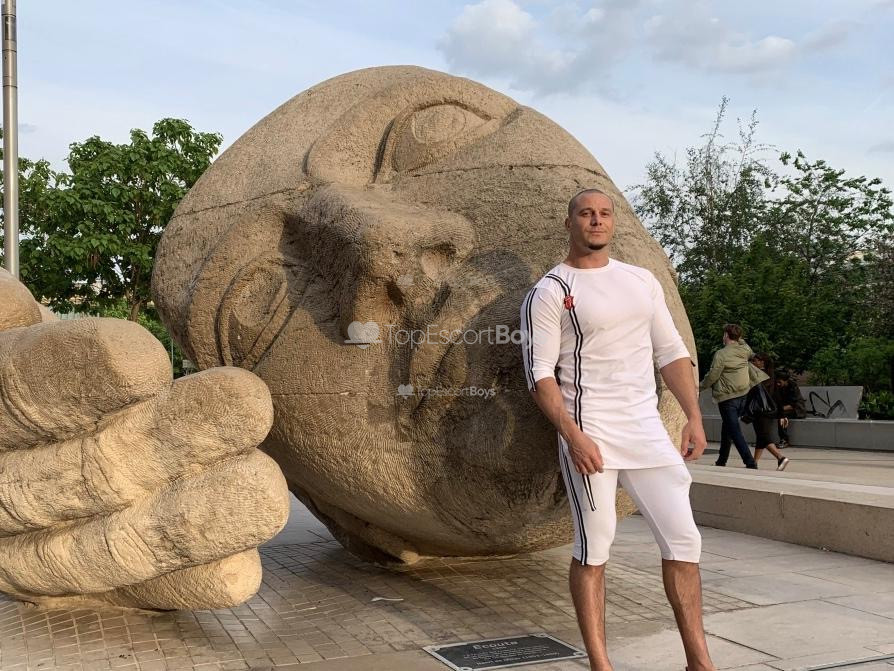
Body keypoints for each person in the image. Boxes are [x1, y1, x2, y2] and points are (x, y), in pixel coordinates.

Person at [521, 189, 716, 671]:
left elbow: (671, 352)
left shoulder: (641, 280)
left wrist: (693, 416)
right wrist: (573, 435)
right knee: (596, 545)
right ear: (569, 223)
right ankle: (600, 664)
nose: (596, 221)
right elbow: (539, 375)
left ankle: (699, 663)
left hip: (647, 431)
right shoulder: (550, 290)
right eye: (586, 213)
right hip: (591, 433)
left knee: (684, 540)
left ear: (614, 222)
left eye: (604, 214)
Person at [698, 325, 759, 469]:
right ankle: (721, 460)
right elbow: (747, 347)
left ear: (726, 335)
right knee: (727, 428)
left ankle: (750, 462)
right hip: (743, 395)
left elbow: (713, 375)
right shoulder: (744, 350)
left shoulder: (721, 354)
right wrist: (738, 338)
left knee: (734, 431)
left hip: (727, 397)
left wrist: (699, 387)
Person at [749, 353, 790, 470]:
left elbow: (752, 394)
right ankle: (754, 462)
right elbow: (777, 397)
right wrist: (781, 414)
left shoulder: (758, 376)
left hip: (760, 411)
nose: (752, 362)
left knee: (764, 436)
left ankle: (780, 457)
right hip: (769, 411)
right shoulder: (771, 376)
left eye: (755, 360)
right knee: (761, 436)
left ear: (762, 362)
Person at [775, 369, 806, 447]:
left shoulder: (792, 386)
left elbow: (793, 405)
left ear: (786, 381)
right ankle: (764, 439)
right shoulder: (779, 387)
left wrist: (780, 409)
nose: (778, 384)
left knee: (782, 415)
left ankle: (784, 440)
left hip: (797, 410)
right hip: (783, 408)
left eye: (780, 382)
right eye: (777, 382)